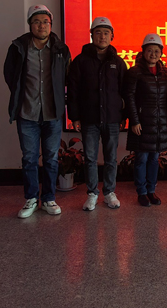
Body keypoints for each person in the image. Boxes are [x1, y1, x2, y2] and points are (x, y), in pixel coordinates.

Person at [4, 4, 71, 219]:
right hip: (27, 113)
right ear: (30, 24)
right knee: (30, 159)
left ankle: (49, 198)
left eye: (45, 22)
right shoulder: (18, 47)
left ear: (51, 24)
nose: (41, 25)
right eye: (36, 22)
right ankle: (31, 198)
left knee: (51, 159)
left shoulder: (61, 49)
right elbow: (10, 75)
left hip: (52, 114)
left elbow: (67, 77)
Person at [67, 17, 127, 211]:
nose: (102, 36)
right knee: (90, 159)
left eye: (106, 33)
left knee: (111, 159)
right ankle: (92, 193)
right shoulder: (80, 61)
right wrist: (74, 116)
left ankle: (109, 192)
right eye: (98, 32)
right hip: (89, 118)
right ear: (92, 35)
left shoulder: (118, 62)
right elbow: (73, 91)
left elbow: (125, 92)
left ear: (112, 36)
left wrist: (123, 116)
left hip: (112, 118)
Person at [124, 33, 167, 207]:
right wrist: (134, 121)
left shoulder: (165, 73)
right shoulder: (134, 72)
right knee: (141, 158)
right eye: (150, 50)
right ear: (143, 52)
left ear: (161, 53)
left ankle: (151, 190)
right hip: (142, 123)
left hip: (159, 124)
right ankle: (142, 192)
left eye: (156, 51)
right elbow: (129, 97)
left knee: (154, 159)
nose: (153, 54)